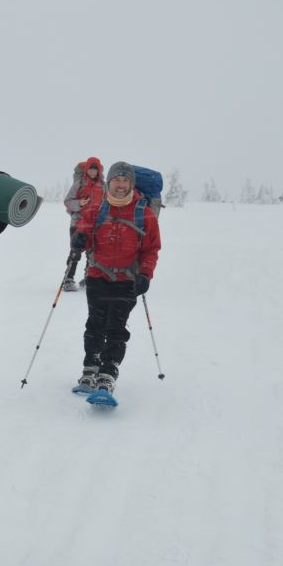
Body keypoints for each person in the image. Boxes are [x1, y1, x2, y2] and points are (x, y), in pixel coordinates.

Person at [70, 161, 161, 395]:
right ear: (108, 182)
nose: (121, 185)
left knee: (117, 328)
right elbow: (85, 231)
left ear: (131, 183)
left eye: (125, 180)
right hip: (97, 277)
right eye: (116, 180)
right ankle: (90, 368)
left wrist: (145, 275)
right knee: (95, 324)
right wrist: (80, 239)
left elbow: (151, 249)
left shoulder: (145, 214)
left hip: (127, 281)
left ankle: (108, 374)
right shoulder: (96, 209)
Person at [61, 156, 105, 292]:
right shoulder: (79, 183)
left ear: (99, 171)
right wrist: (79, 203)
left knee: (92, 253)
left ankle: (88, 277)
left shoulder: (103, 186)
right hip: (78, 222)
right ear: (86, 170)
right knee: (76, 250)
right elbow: (68, 201)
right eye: (91, 169)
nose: (93, 172)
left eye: (95, 169)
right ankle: (68, 279)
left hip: (95, 224)